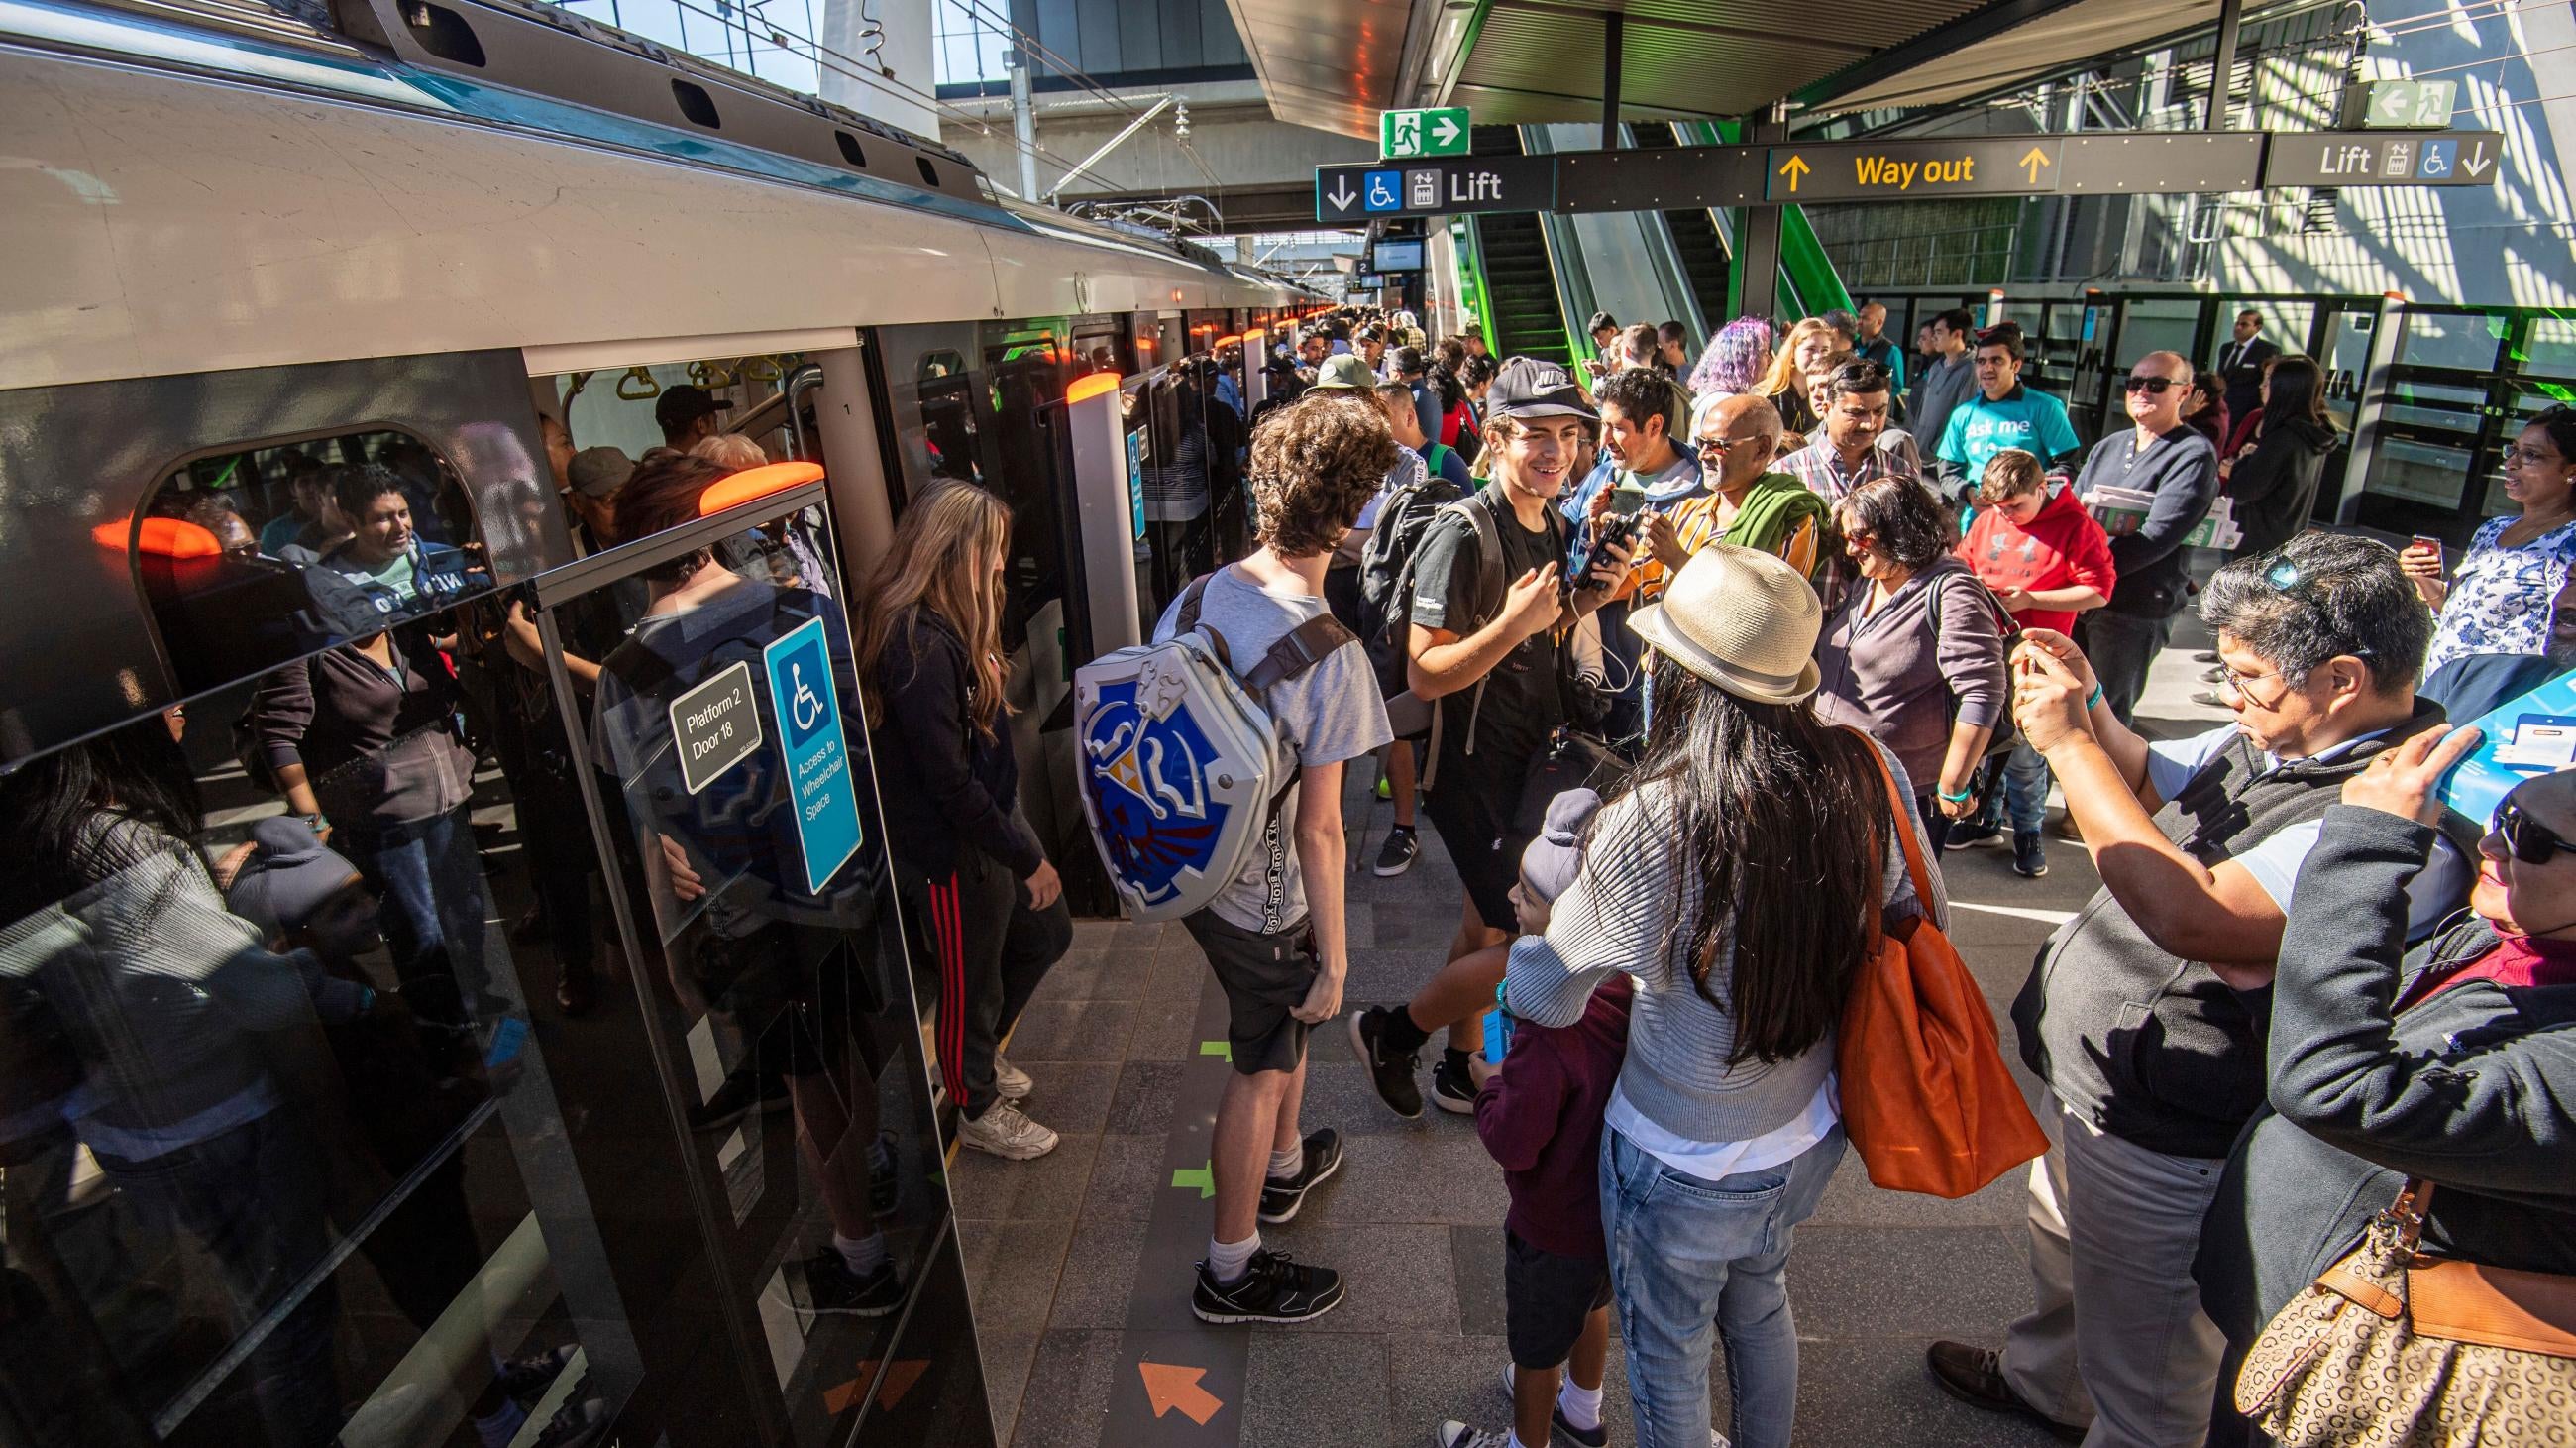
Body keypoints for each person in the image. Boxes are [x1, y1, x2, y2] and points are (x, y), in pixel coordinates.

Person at [1930, 532, 2472, 1448]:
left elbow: (2196, 915)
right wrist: (2093, 705)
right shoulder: (2286, 732)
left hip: (2172, 1129)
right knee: (2076, 1267)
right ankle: (2051, 1390)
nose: (2231, 693)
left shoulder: (2397, 814)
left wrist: (2065, 745)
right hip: (2110, 1087)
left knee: (2152, 1380)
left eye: (2249, 675)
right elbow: (2154, 774)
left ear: (2343, 678)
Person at [1506, 543, 1945, 1448]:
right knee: (1759, 1303)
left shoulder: (1654, 815)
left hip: (1677, 1157)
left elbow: (1551, 993)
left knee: (1667, 1361)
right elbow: (1916, 906)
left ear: (1675, 673)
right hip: (1811, 1126)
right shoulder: (1866, 769)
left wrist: (1519, 954)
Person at [590, 453, 901, 1318]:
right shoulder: (803, 608)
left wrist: (675, 953)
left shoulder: (630, 670)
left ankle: (861, 1257)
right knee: (846, 1036)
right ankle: (878, 1164)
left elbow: (649, 820)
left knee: (807, 1085)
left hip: (747, 915)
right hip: (837, 876)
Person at [2194, 748, 2576, 1448]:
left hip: (2385, 1367)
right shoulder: (2512, 941)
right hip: (2301, 1317)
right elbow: (2402, 1052)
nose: (2488, 843)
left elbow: (2339, 1088)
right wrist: (2272, 999)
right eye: (2500, 816)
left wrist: (2365, 843)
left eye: (2530, 837)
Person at [0, 724, 364, 1448]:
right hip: (224, 1121)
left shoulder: (24, 841)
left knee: (252, 1291)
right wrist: (355, 998)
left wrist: (195, 904)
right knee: (292, 1321)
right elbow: (265, 997)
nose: (178, 723)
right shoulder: (111, 841)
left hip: (128, 1134)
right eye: (158, 713)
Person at [1147, 390, 1394, 1324]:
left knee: (1280, 1034)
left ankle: (1287, 1165)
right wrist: (1336, 958)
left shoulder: (1203, 592)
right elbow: (1321, 830)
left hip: (1197, 867)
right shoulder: (1329, 653)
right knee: (1259, 1058)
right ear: (1351, 511)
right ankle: (1232, 1263)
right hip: (1268, 902)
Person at [1348, 359, 1635, 1118]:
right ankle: (1392, 1031)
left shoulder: (1552, 521)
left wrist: (1584, 602)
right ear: (1498, 436)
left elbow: (1536, 636)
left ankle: (1458, 1062)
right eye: (1536, 434)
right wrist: (1514, 623)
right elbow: (1427, 673)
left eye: (1570, 435)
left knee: (1484, 919)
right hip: (1468, 767)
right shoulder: (1463, 533)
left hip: (1525, 757)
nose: (1556, 452)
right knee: (1523, 934)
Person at [858, 484, 1073, 1160]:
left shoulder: (946, 622)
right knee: (969, 975)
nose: (1003, 566)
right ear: (955, 552)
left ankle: (976, 1056)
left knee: (1044, 934)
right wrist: (1023, 854)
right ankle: (974, 1102)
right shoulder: (917, 643)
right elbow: (946, 780)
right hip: (954, 846)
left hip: (988, 820)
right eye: (994, 551)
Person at [1435, 789, 1626, 1448]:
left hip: (1549, 1222)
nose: (1512, 900)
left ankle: (1527, 1442)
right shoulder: (1619, 988)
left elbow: (1514, 1141)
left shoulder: (1548, 1032)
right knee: (1594, 1306)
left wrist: (1488, 1087)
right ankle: (1585, 1409)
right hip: (1605, 1207)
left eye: (1528, 894)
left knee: (1536, 1348)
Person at [1813, 476, 2008, 851]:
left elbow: (1982, 691)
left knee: (1894, 908)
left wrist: (1954, 784)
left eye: (1860, 536)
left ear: (1899, 528)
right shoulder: (1872, 580)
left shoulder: (1953, 590)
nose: (1851, 550)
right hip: (1842, 780)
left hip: (1903, 798)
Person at [1948, 450, 2117, 875]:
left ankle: (2028, 830)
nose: (2006, 516)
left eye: (2016, 507)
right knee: (1986, 744)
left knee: (2026, 755)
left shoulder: (2078, 527)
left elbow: (2098, 591)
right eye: (1998, 508)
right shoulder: (1989, 520)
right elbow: (1962, 564)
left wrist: (2030, 599)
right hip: (1987, 650)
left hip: (2037, 654)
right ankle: (1986, 820)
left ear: (2041, 489)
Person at [2071, 350, 2221, 724]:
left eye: (2156, 385)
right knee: (2065, 705)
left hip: (2133, 606)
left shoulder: (2192, 453)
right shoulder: (2110, 445)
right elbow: (2072, 516)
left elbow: (2158, 535)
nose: (2142, 392)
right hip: (2081, 598)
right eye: (2134, 383)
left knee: (2106, 716)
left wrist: (2092, 581)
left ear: (2183, 393)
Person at [1563, 367, 1702, 739]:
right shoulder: (1603, 474)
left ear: (1655, 426)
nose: (1604, 439)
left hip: (1651, 683)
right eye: (1603, 425)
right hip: (1588, 676)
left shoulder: (1700, 496)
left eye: (1618, 428)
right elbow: (1566, 548)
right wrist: (1589, 535)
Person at [2407, 404, 2576, 676]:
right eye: (2513, 451)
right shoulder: (2492, 530)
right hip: (2445, 689)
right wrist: (2425, 581)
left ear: (2571, 471)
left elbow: (2565, 642)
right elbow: (2458, 617)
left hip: (2499, 699)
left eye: (2532, 455)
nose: (2511, 464)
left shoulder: (2569, 542)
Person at [1641, 393, 1830, 597]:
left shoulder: (1792, 521)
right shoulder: (1687, 511)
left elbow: (1770, 610)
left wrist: (1678, 559)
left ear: (1761, 448)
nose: (1703, 454)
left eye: (1717, 446)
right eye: (1701, 442)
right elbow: (1630, 578)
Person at [1934, 323, 2082, 500]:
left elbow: (2068, 468)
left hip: (2030, 522)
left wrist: (2024, 495)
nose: (1988, 368)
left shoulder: (2046, 407)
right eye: (1981, 361)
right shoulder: (1963, 414)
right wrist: (1969, 493)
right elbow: (1948, 475)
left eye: (1997, 360)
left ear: (2016, 365)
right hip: (1977, 520)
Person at [318, 463, 482, 613]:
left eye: (403, 514)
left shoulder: (445, 557)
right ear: (351, 521)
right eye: (383, 518)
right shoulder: (329, 586)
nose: (400, 527)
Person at [2217, 356, 2336, 559]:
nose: (2262, 387)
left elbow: (2245, 489)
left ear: (2285, 389)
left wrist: (2236, 466)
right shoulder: (2310, 433)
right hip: (2282, 537)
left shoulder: (2283, 437)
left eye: (2269, 382)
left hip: (2256, 543)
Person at [1908, 308, 1980, 459]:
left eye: (1939, 332)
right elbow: (1922, 408)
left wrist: (1939, 448)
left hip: (1942, 455)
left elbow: (1962, 415)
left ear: (1957, 334)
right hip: (1919, 449)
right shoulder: (1936, 366)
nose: (1934, 338)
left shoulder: (1970, 369)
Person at [1754, 319, 1837, 436]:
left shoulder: (1833, 395)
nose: (1818, 356)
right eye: (1811, 349)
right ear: (1793, 351)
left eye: (1824, 350)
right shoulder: (1764, 394)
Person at [2214, 309, 2278, 424]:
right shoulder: (2226, 348)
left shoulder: (2267, 350)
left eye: (2244, 325)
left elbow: (2268, 382)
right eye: (2237, 323)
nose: (2238, 328)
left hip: (2247, 414)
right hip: (2222, 411)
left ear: (2257, 328)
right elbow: (2222, 376)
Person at [1688, 315, 1772, 400]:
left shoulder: (1713, 398)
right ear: (1745, 359)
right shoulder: (1730, 404)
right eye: (1764, 353)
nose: (1769, 360)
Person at [654, 382, 733, 450]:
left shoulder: (649, 465)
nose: (718, 434)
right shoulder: (709, 467)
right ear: (702, 425)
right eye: (715, 424)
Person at [1853, 300, 1907, 395]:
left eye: (1865, 318)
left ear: (1879, 323)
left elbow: (1895, 386)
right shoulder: (1851, 346)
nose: (1859, 322)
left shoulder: (1890, 351)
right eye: (1859, 317)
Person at [2182, 368, 2230, 452]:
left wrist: (2184, 416)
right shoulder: (2215, 411)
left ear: (2199, 397)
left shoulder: (2212, 426)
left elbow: (2178, 443)